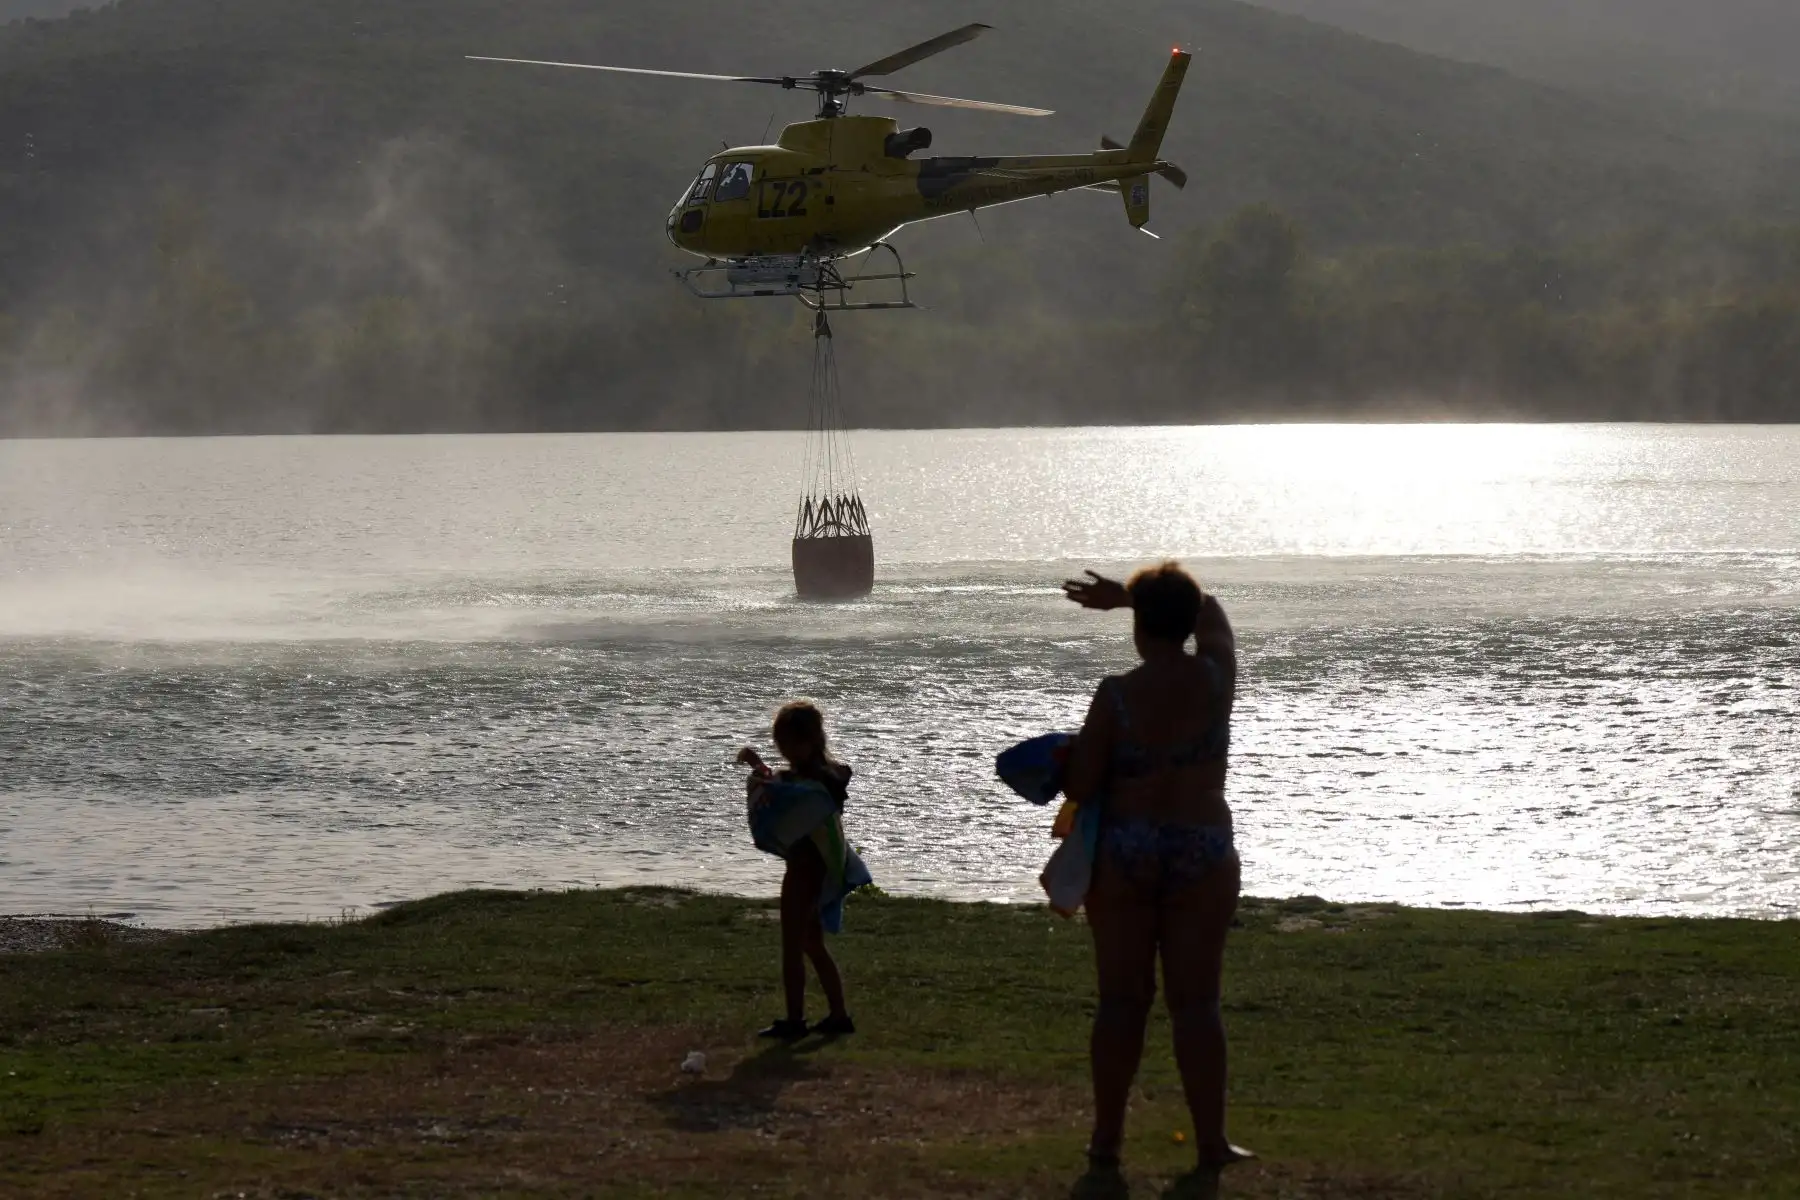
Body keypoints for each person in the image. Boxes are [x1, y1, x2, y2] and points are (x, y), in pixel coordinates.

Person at [1060, 563, 1252, 1173]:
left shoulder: (1116, 695)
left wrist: (1062, 761)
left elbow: (1084, 782)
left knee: (1122, 1001)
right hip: (1201, 850)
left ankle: (1107, 1141)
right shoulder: (1215, 679)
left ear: (1141, 628)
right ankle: (1210, 1143)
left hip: (1126, 853)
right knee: (1196, 1005)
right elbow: (1214, 613)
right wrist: (1133, 597)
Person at [737, 700, 856, 1040]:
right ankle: (838, 1015)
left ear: (808, 742)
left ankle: (795, 1020)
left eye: (788, 743)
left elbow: (784, 790)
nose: (784, 750)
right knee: (812, 945)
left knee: (792, 946)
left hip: (805, 871)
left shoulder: (817, 782)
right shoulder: (822, 777)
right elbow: (778, 782)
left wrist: (759, 768)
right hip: (818, 870)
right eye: (780, 744)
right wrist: (756, 762)